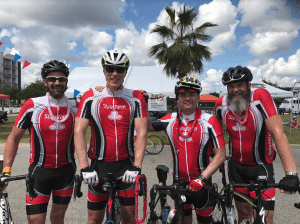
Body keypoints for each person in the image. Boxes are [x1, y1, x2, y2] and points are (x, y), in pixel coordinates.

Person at [215, 66, 299, 224]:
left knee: (265, 218)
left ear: (248, 85)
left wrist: (291, 174)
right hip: (236, 168)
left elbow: (278, 133)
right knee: (243, 215)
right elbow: (215, 136)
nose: (235, 90)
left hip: (261, 167)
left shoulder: (260, 97)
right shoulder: (221, 104)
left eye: (240, 85)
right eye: (231, 86)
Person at [74, 50, 148, 224]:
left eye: (119, 69)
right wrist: (84, 167)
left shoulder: (136, 97)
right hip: (99, 166)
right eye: (110, 68)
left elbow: (142, 132)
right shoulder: (90, 96)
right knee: (93, 219)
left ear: (125, 72)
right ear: (104, 71)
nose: (114, 73)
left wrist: (137, 166)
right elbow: (78, 131)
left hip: (126, 165)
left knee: (130, 219)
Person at [1, 60, 77, 224]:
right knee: (35, 220)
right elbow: (13, 139)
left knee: (58, 218)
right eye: (52, 79)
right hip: (39, 172)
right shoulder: (32, 104)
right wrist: (6, 170)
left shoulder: (75, 106)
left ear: (66, 81)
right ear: (45, 81)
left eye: (62, 79)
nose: (57, 82)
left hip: (66, 172)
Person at [147, 76, 226, 224]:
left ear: (198, 97)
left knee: (205, 221)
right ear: (177, 99)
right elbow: (145, 127)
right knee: (184, 220)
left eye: (192, 94)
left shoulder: (210, 121)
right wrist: (143, 102)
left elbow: (220, 155)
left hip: (202, 182)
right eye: (183, 95)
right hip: (179, 182)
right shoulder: (170, 119)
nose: (187, 98)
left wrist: (202, 178)